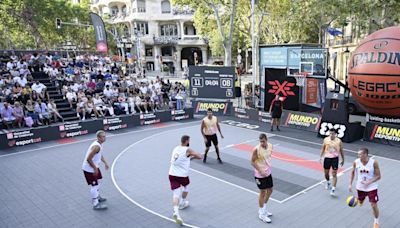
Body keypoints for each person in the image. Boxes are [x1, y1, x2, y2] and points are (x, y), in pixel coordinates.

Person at [168, 135, 202, 225]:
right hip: (182, 176)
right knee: (186, 188)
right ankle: (182, 203)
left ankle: (176, 212)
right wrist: (194, 155)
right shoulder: (188, 150)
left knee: (176, 194)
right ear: (187, 141)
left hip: (171, 174)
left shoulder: (176, 148)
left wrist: (190, 157)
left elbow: (182, 159)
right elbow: (200, 156)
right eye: (189, 140)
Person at [348, 148, 381, 228]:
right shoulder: (356, 162)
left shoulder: (374, 162)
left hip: (372, 187)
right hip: (360, 186)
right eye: (358, 154)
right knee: (361, 199)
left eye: (360, 154)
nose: (358, 156)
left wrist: (368, 182)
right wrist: (350, 184)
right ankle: (361, 200)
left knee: (373, 205)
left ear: (365, 154)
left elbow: (378, 176)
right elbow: (352, 173)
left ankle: (376, 222)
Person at [82, 130, 109, 210]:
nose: (105, 138)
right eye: (103, 136)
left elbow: (99, 155)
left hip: (94, 167)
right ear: (98, 138)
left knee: (99, 181)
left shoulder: (100, 144)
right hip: (89, 168)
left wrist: (105, 163)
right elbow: (88, 159)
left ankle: (97, 196)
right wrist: (94, 169)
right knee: (94, 185)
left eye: (105, 136)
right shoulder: (96, 146)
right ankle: (95, 203)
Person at [251, 133, 273, 223]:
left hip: (268, 172)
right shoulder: (256, 149)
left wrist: (267, 167)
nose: (262, 143)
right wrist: (260, 170)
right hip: (259, 174)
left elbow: (268, 157)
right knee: (263, 192)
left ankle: (264, 208)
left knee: (270, 190)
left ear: (266, 139)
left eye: (263, 141)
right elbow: (252, 162)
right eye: (260, 142)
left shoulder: (271, 146)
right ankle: (261, 214)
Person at [320, 128, 344, 196]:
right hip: (327, 158)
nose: (331, 135)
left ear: (335, 134)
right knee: (326, 174)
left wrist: (343, 159)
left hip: (335, 159)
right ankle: (328, 182)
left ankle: (333, 189)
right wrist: (321, 157)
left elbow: (341, 150)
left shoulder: (339, 141)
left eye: (332, 134)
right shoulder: (326, 139)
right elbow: (323, 148)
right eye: (330, 133)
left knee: (334, 174)